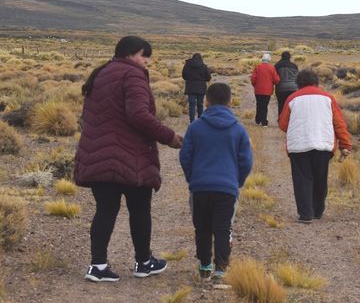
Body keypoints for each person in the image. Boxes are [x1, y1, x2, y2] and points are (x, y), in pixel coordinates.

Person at [74, 36, 184, 282]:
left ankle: (98, 266)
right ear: (131, 53)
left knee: (105, 209)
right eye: (145, 55)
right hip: (130, 156)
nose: (147, 61)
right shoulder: (132, 75)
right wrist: (170, 137)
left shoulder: (101, 73)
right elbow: (138, 116)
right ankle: (143, 262)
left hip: (99, 154)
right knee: (139, 209)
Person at [179, 83, 253, 281]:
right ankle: (221, 269)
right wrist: (237, 181)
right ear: (230, 101)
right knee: (222, 227)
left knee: (202, 227)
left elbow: (185, 156)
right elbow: (246, 160)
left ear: (206, 101)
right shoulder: (238, 129)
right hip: (227, 188)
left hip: (200, 187)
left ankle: (205, 266)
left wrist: (192, 178)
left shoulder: (195, 127)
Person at [278, 69, 352, 223]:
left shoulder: (292, 98)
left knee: (302, 179)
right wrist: (345, 145)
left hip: (298, 146)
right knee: (320, 178)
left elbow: (283, 124)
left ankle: (305, 214)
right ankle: (317, 211)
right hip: (323, 144)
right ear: (316, 82)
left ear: (299, 83)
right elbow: (339, 124)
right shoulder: (328, 98)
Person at [182, 53, 212, 123]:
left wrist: (189, 79)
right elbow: (208, 78)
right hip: (201, 88)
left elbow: (184, 76)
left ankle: (192, 121)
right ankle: (200, 120)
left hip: (190, 87)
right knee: (200, 104)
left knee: (191, 105)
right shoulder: (204, 66)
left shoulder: (187, 65)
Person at [250, 53, 279, 126]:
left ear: (262, 59)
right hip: (267, 91)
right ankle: (264, 122)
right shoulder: (272, 68)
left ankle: (258, 120)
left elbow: (253, 79)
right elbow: (276, 79)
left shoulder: (257, 67)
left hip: (258, 90)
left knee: (259, 104)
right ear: (269, 60)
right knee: (264, 105)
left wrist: (255, 86)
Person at [274, 51, 299, 117]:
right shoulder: (294, 66)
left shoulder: (277, 65)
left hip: (281, 89)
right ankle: (291, 120)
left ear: (281, 56)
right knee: (291, 106)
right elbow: (298, 77)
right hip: (294, 88)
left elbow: (274, 77)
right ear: (289, 57)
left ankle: (281, 120)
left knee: (281, 105)